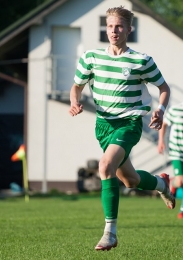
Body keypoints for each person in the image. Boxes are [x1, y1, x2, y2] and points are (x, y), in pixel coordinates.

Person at [68, 6, 175, 251]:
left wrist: (160, 110)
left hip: (129, 124)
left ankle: (110, 233)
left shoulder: (141, 60)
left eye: (119, 27)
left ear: (128, 29)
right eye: (110, 26)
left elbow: (164, 88)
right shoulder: (91, 57)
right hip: (103, 126)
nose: (114, 31)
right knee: (131, 181)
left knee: (105, 166)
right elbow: (76, 86)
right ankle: (161, 184)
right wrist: (75, 101)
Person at [158, 102, 183, 219]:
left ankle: (182, 210)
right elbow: (164, 124)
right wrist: (161, 141)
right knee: (180, 181)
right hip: (177, 150)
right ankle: (172, 182)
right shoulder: (175, 109)